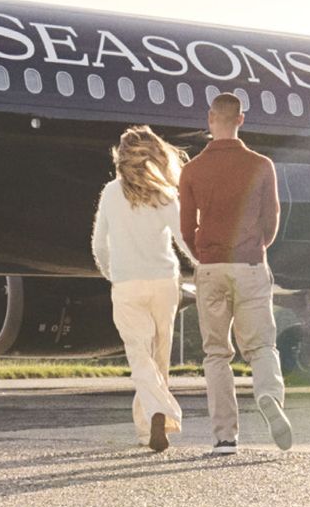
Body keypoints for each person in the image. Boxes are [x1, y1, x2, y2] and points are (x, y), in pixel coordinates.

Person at [178, 93, 293, 454]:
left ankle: (224, 438)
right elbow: (271, 221)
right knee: (261, 346)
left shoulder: (192, 169)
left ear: (211, 118)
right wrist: (256, 247)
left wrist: (205, 255)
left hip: (210, 268)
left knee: (216, 354)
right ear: (240, 120)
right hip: (249, 265)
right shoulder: (261, 165)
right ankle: (269, 396)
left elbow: (185, 228)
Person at [90, 126, 191, 451]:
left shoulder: (109, 193)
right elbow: (184, 240)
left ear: (120, 158)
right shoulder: (165, 195)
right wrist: (205, 267)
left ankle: (159, 413)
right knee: (159, 358)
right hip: (164, 283)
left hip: (127, 284)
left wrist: (110, 273)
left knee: (139, 357)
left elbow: (98, 244)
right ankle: (148, 430)